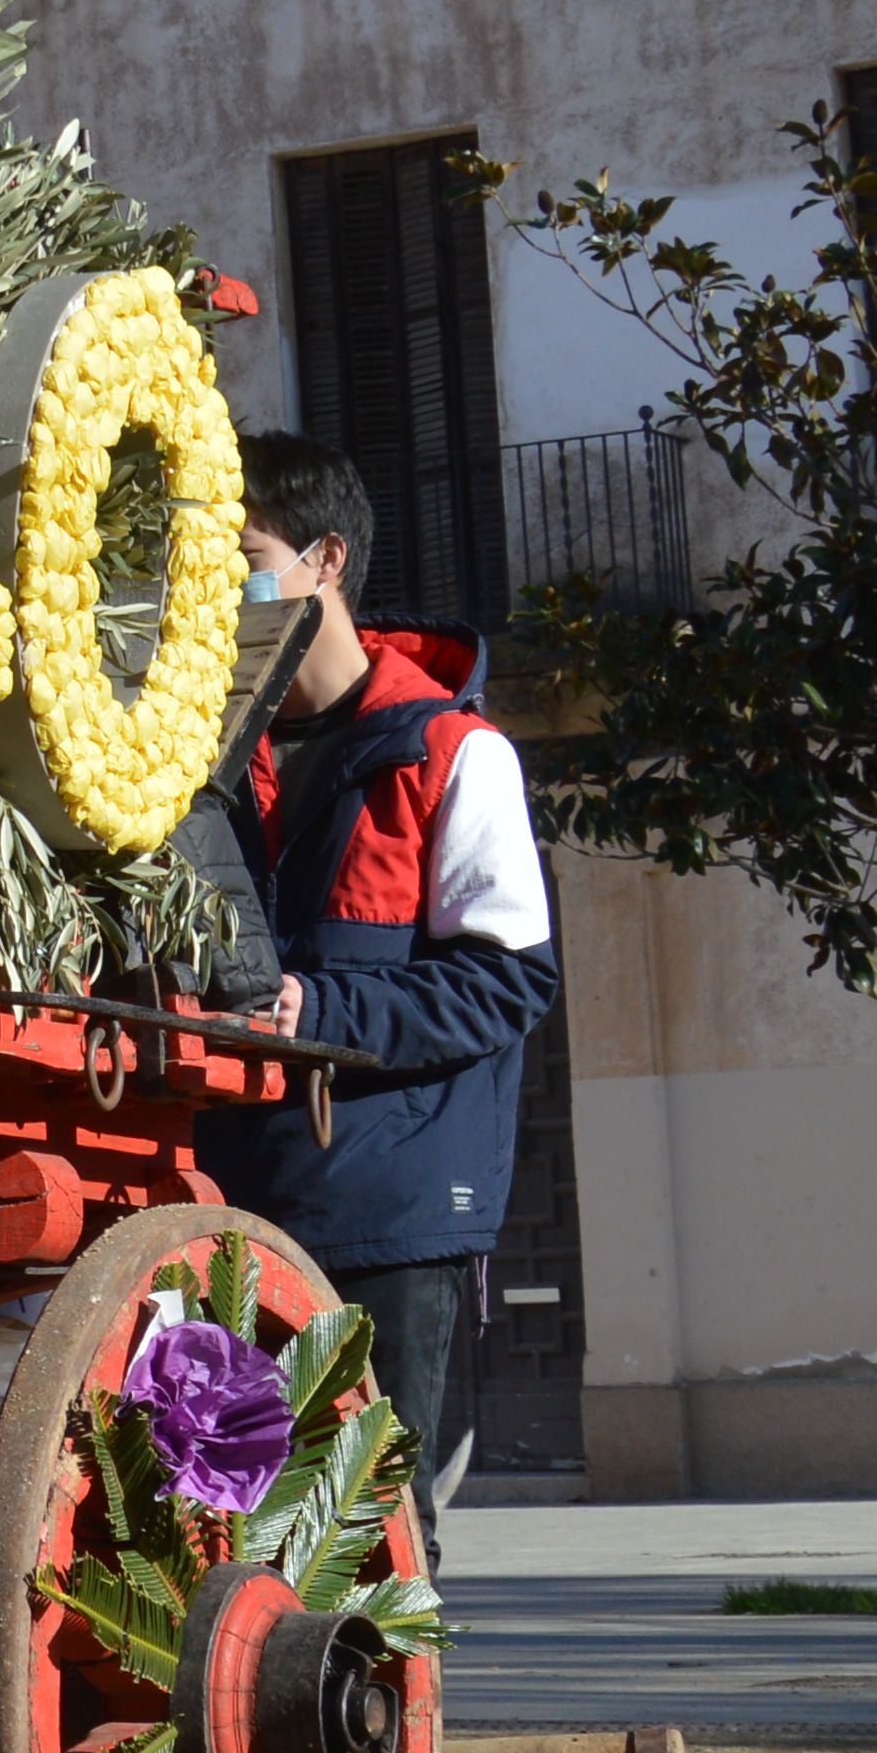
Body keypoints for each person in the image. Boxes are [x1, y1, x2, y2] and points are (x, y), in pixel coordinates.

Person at [192, 433, 560, 1513]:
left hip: (387, 1213)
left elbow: (507, 983)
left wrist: (321, 1007)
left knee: (369, 1530)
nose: (222, 582)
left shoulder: (455, 752)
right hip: (231, 1201)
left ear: (325, 561)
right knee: (236, 1531)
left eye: (243, 550)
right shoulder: (201, 758)